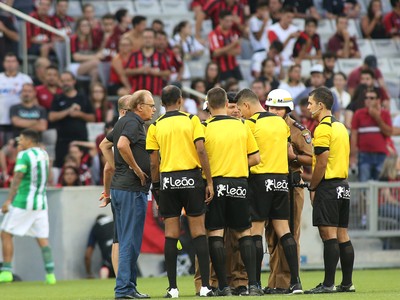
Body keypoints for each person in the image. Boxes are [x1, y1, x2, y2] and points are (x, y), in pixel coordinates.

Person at [146, 85, 214, 298]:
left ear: (162, 103)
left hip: (169, 181)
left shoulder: (155, 125)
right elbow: (201, 149)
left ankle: (173, 288)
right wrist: (209, 181)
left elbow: (154, 161)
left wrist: (156, 186)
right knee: (198, 232)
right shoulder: (192, 120)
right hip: (192, 178)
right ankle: (204, 287)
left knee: (171, 234)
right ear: (180, 100)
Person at [234, 88, 303, 294]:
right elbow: (289, 152)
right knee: (284, 230)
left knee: (255, 231)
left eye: (240, 109)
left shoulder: (250, 124)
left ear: (246, 105)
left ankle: (254, 284)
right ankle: (296, 282)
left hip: (259, 179)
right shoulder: (280, 123)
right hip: (281, 180)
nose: (240, 113)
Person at [201, 87, 262, 296]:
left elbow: (199, 158)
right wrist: (237, 163)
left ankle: (223, 287)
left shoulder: (203, 128)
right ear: (227, 103)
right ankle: (253, 285)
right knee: (244, 232)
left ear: (208, 105)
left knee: (216, 233)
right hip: (239, 183)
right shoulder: (242, 126)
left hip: (214, 185)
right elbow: (256, 158)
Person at [100, 91, 155, 299]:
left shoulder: (122, 122)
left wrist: (118, 167)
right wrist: (136, 170)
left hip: (119, 189)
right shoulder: (133, 123)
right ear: (139, 106)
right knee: (130, 241)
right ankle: (123, 290)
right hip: (131, 190)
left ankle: (129, 288)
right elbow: (121, 145)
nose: (154, 109)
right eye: (151, 105)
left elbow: (105, 145)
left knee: (125, 240)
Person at [305, 86, 355, 294]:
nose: (308, 107)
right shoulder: (341, 127)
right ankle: (347, 283)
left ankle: (328, 284)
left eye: (310, 103)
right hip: (343, 186)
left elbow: (322, 163)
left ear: (320, 105)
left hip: (329, 186)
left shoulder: (323, 128)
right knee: (343, 234)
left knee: (329, 236)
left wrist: (313, 186)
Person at [264, 89, 313, 294]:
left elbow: (311, 159)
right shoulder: (264, 127)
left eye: (279, 108)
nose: (274, 111)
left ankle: (286, 282)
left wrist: (292, 157)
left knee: (290, 234)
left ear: (287, 109)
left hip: (291, 185)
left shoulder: (298, 130)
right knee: (272, 236)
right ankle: (275, 282)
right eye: (272, 107)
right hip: (270, 185)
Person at [0, 129, 56, 284]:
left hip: (24, 201)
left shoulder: (24, 155)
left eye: (22, 139)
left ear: (29, 140)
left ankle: (6, 272)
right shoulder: (43, 153)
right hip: (41, 203)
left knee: (5, 233)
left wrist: (8, 201)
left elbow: (17, 177)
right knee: (42, 238)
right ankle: (50, 275)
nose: (20, 142)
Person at [48, 71, 95, 169]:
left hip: (81, 139)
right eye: (63, 81)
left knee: (84, 166)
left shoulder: (83, 98)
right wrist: (68, 111)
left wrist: (80, 114)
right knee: (62, 167)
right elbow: (51, 117)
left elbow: (92, 118)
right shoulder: (57, 98)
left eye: (68, 80)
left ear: (74, 81)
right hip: (62, 141)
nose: (65, 83)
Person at [350, 88, 392, 182]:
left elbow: (388, 132)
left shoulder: (385, 114)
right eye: (366, 98)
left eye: (372, 98)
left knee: (381, 186)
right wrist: (353, 156)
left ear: (378, 100)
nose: (368, 100)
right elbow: (354, 135)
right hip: (364, 155)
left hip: (381, 155)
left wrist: (377, 117)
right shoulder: (358, 114)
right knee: (363, 185)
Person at [0, 53, 33, 147]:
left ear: (18, 63)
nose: (10, 64)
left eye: (13, 61)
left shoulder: (25, 79)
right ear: (3, 63)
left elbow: (32, 97)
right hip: (1, 119)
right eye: (8, 61)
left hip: (20, 119)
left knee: (17, 147)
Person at [208, 10, 242, 81]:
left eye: (231, 21)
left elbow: (238, 51)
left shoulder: (233, 33)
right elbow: (215, 53)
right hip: (220, 69)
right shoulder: (213, 34)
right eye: (227, 21)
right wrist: (233, 45)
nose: (229, 23)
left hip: (234, 66)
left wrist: (222, 50)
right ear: (220, 20)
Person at [85, 214, 115, 279]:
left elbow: (87, 255)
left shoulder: (96, 227)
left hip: (108, 258)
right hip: (122, 253)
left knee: (106, 266)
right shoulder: (116, 221)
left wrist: (89, 273)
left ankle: (105, 272)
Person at [249, 0, 272, 78]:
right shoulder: (253, 20)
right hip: (257, 52)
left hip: (267, 51)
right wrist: (264, 23)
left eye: (266, 10)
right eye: (263, 10)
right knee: (257, 75)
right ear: (258, 10)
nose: (264, 12)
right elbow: (258, 37)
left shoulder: (269, 20)